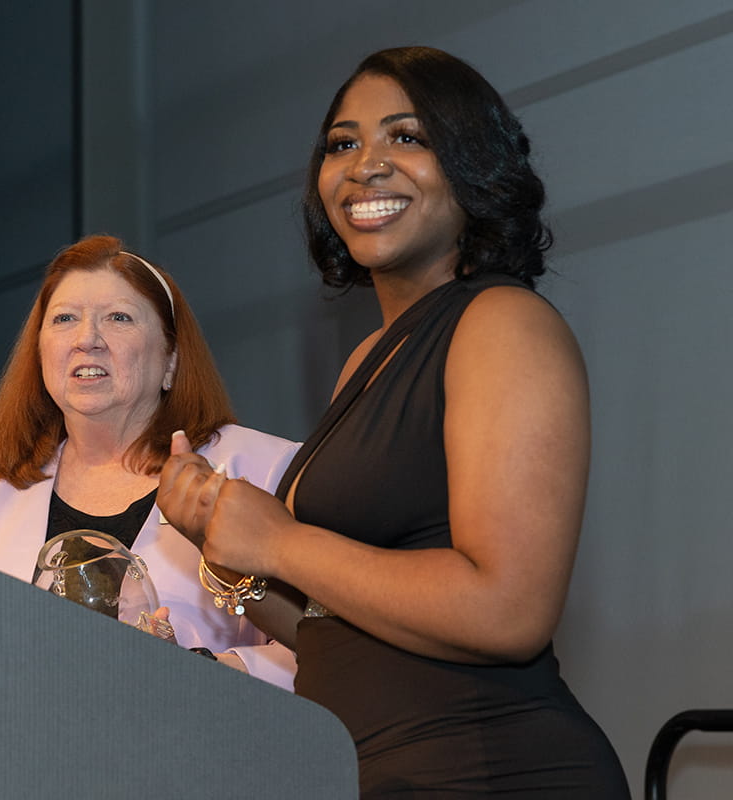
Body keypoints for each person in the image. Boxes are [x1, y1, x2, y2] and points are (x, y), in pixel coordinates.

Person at [158, 47, 631, 797]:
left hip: (493, 771)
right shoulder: (370, 358)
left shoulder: (501, 323)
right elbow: (335, 631)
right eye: (342, 144)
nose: (365, 164)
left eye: (405, 137)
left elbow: (508, 610)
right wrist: (225, 552)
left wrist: (280, 538)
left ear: (474, 166)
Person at [0, 234, 300, 690]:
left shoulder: (259, 465)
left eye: (118, 318)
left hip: (192, 744)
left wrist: (194, 673)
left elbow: (324, 653)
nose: (86, 340)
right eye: (64, 319)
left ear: (171, 360)